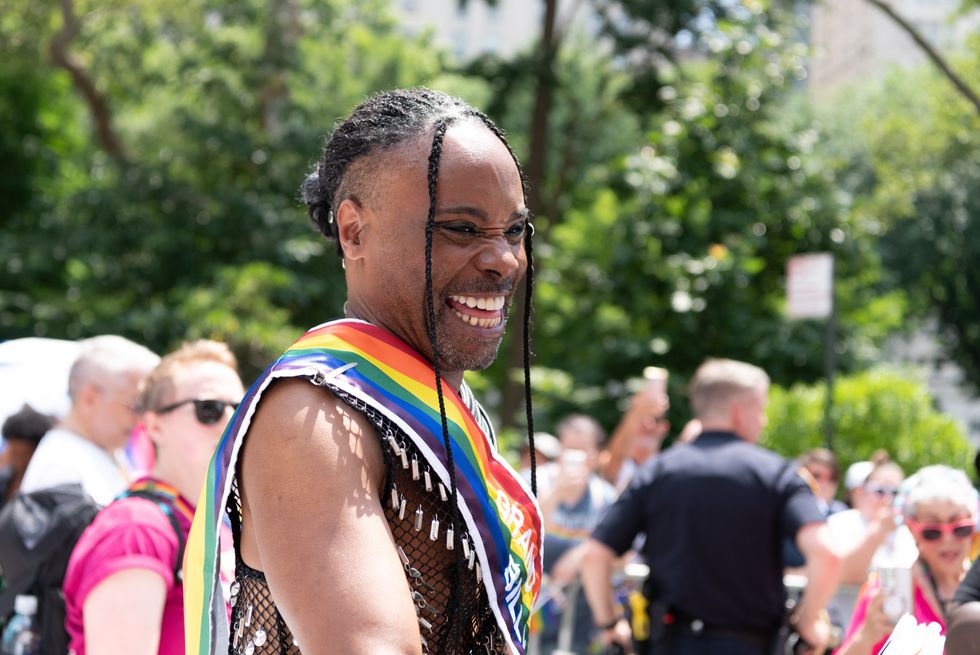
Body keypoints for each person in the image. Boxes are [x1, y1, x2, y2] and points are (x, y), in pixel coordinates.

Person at [184, 88, 543, 655]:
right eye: (463, 229)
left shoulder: (440, 403)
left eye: (515, 230)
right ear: (354, 232)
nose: (504, 259)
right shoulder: (313, 416)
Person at [581, 358, 842, 655]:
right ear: (739, 412)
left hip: (670, 643)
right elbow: (827, 554)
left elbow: (594, 554)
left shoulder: (657, 473)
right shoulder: (777, 475)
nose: (764, 420)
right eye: (761, 409)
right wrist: (807, 623)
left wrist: (609, 623)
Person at [63, 340, 243, 655]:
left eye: (240, 408)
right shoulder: (136, 528)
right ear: (154, 425)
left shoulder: (212, 523)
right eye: (209, 409)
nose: (230, 422)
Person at [836, 465, 978, 654]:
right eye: (932, 531)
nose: (948, 540)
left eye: (960, 527)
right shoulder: (887, 592)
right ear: (912, 530)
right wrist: (866, 636)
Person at [20, 335, 159, 505]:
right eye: (135, 406)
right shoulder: (63, 468)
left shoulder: (97, 451)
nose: (141, 419)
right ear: (89, 398)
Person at [534, 415, 617, 654]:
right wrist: (558, 492)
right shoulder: (536, 478)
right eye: (568, 449)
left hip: (579, 612)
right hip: (534, 607)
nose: (573, 457)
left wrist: (581, 554)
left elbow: (621, 549)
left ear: (595, 455)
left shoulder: (605, 496)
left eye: (580, 451)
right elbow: (521, 529)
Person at [823, 453, 915, 633]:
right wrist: (878, 532)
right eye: (880, 491)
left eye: (895, 493)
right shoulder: (840, 523)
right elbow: (843, 574)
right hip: (846, 629)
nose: (888, 499)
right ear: (862, 492)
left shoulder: (908, 533)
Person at [600, 381, 671, 490]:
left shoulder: (668, 469)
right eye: (643, 419)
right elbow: (614, 458)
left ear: (664, 427)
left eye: (656, 419)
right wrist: (637, 409)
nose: (648, 424)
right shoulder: (622, 466)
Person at [0, 404, 55, 505]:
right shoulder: (4, 481)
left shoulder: (45, 485)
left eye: (25, 455)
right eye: (14, 454)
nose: (20, 462)